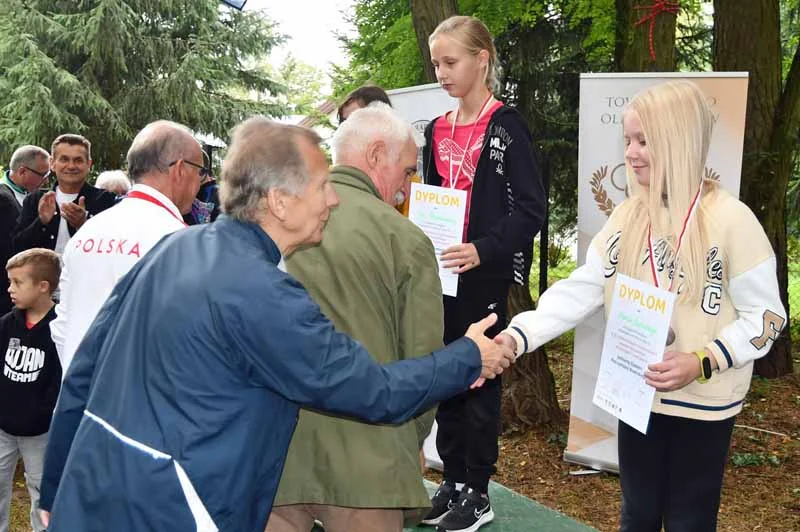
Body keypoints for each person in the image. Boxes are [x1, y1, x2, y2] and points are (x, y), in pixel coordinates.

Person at [38, 118, 516, 532]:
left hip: (97, 488)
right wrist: (470, 354)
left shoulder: (176, 247)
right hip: (181, 506)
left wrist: (53, 489)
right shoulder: (262, 291)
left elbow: (85, 371)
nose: (333, 200)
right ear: (280, 202)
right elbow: (375, 391)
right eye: (323, 185)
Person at [498, 80, 786, 532]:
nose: (630, 153)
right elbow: (584, 287)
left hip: (703, 402)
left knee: (691, 520)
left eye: (643, 140)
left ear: (678, 139)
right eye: (627, 140)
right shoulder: (628, 215)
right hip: (638, 394)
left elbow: (767, 318)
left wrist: (703, 360)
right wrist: (519, 334)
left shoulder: (732, 219)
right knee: (638, 516)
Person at [267, 104, 440, 532]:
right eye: (406, 170)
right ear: (377, 154)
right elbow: (424, 362)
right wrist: (412, 441)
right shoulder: (406, 240)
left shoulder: (275, 223)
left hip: (276, 455)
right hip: (372, 461)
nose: (406, 188)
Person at [421, 15, 545, 531]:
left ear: (481, 60)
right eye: (436, 64)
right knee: (449, 375)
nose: (442, 74)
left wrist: (484, 249)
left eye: (451, 62)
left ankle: (479, 489)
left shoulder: (507, 127)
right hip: (442, 278)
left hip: (484, 276)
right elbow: (429, 199)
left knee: (479, 377)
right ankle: (450, 479)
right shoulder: (435, 129)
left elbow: (531, 209)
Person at [49, 121, 199, 374]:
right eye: (200, 170)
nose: (201, 181)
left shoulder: (89, 230)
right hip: (137, 401)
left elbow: (62, 327)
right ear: (181, 169)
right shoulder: (179, 240)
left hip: (77, 394)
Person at [0, 248, 62, 532]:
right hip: (3, 429)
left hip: (40, 432)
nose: (10, 289)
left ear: (43, 286)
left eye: (17, 282)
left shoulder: (60, 328)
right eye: (10, 281)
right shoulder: (6, 325)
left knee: (41, 490)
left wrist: (41, 414)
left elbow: (60, 379)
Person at [12, 135, 116, 257]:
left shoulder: (105, 200)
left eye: (78, 160)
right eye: (64, 159)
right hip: (44, 275)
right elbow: (17, 248)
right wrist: (41, 221)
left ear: (89, 164)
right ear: (52, 163)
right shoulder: (35, 199)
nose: (71, 166)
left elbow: (114, 248)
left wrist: (84, 224)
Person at [0, 146, 50, 315]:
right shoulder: (4, 199)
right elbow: (12, 247)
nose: (46, 181)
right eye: (43, 175)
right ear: (22, 171)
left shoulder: (28, 195)